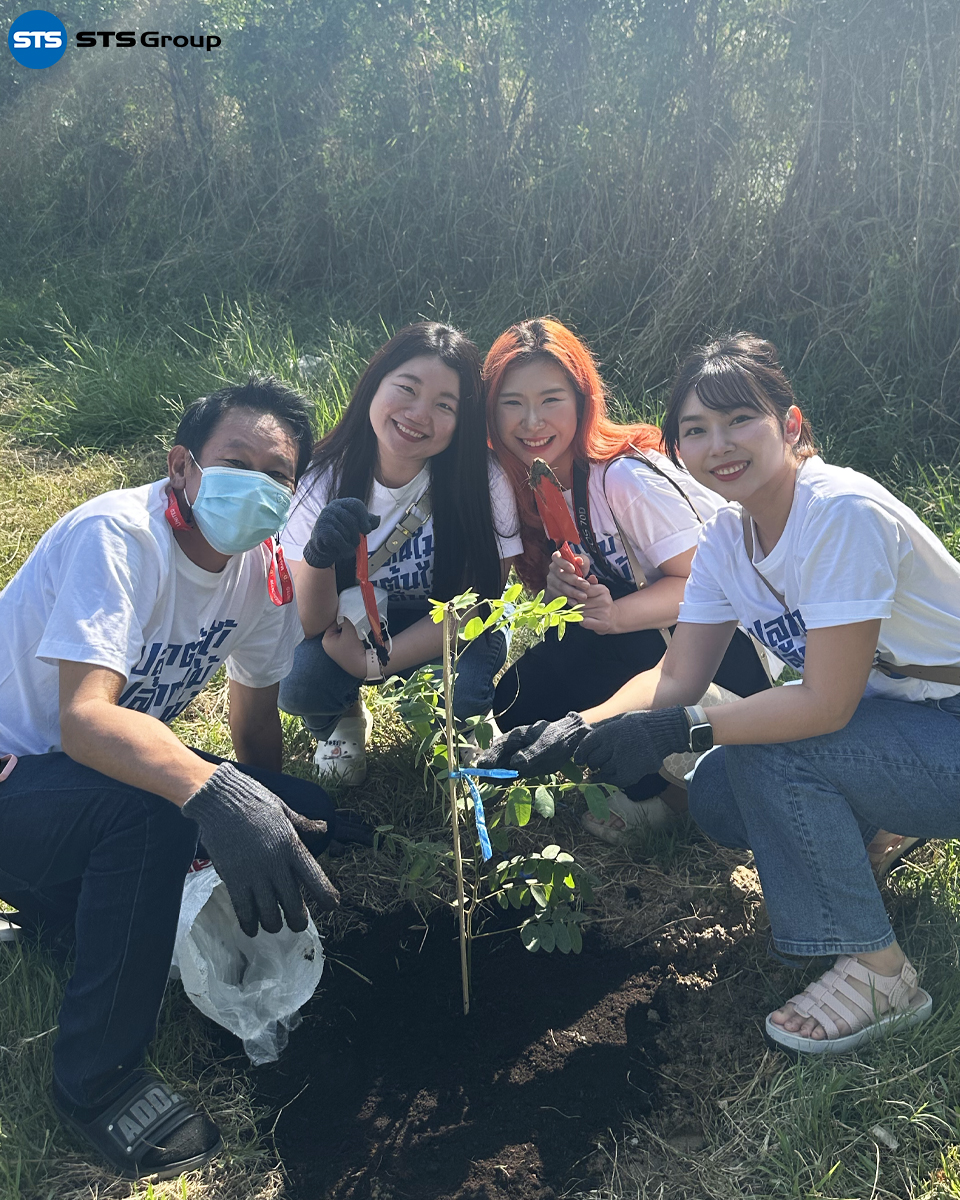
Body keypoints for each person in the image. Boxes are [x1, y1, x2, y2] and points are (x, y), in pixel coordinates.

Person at [480, 332, 960, 1055]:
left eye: (740, 420)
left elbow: (824, 705)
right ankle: (875, 832)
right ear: (677, 449)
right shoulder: (730, 539)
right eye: (696, 430)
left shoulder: (839, 514)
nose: (720, 444)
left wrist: (684, 729)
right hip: (900, 721)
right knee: (717, 790)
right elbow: (677, 675)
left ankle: (880, 973)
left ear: (790, 425)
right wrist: (579, 726)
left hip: (945, 720)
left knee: (772, 753)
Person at [0, 376, 355, 1179]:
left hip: (76, 782)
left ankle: (63, 917)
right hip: (19, 773)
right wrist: (216, 798)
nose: (257, 485)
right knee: (156, 811)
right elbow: (85, 720)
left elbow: (255, 719)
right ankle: (99, 1083)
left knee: (307, 812)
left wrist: (264, 819)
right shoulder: (118, 537)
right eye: (237, 462)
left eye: (278, 475)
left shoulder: (261, 570)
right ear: (183, 466)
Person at [483, 318, 772, 839]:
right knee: (514, 705)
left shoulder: (622, 477)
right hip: (638, 637)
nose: (531, 421)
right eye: (512, 403)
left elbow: (710, 587)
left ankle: (673, 794)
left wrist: (614, 615)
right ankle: (643, 766)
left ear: (583, 400)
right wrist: (561, 591)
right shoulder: (530, 481)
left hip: (723, 651)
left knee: (581, 700)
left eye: (551, 400)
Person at [279, 322, 522, 783]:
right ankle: (343, 719)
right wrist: (318, 557)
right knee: (299, 681)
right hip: (349, 624)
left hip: (447, 627)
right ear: (374, 384)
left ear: (463, 421)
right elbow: (309, 625)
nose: (418, 414)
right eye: (407, 389)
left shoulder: (484, 481)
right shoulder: (320, 479)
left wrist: (374, 662)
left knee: (466, 692)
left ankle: (462, 724)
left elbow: (477, 605)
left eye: (444, 405)